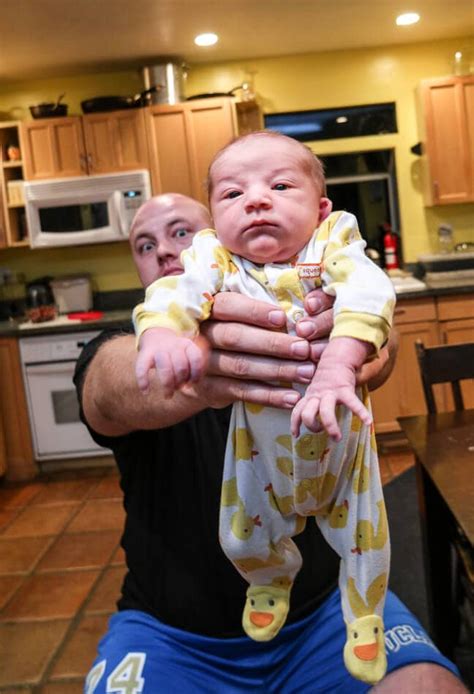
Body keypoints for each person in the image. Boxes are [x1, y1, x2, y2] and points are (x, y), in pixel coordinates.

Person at [76, 192, 465, 693]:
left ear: (222, 239)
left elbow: (375, 322)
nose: (164, 252)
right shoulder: (122, 345)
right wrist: (174, 362)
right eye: (144, 245)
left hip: (325, 612)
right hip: (175, 638)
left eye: (180, 233)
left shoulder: (303, 299)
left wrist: (362, 343)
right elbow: (105, 389)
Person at [133, 132, 394, 683]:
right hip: (259, 448)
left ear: (320, 208)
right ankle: (269, 579)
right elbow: (176, 293)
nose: (254, 199)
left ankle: (364, 615)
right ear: (216, 220)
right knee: (242, 527)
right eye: (231, 194)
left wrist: (342, 363)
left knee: (366, 535)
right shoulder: (212, 257)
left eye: (278, 185)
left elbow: (370, 292)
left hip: (341, 441)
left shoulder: (334, 243)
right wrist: (160, 333)